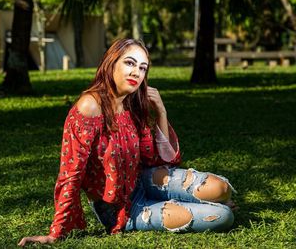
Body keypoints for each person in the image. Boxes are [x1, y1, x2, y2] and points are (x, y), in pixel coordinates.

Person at [18, 38, 236, 246]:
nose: (136, 72)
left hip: (143, 180)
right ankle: (202, 207)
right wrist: (56, 232)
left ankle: (203, 201)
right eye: (130, 63)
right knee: (222, 216)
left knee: (222, 189)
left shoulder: (132, 103)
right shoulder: (89, 108)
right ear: (111, 63)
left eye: (142, 68)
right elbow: (71, 173)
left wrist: (161, 112)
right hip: (117, 208)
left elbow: (156, 158)